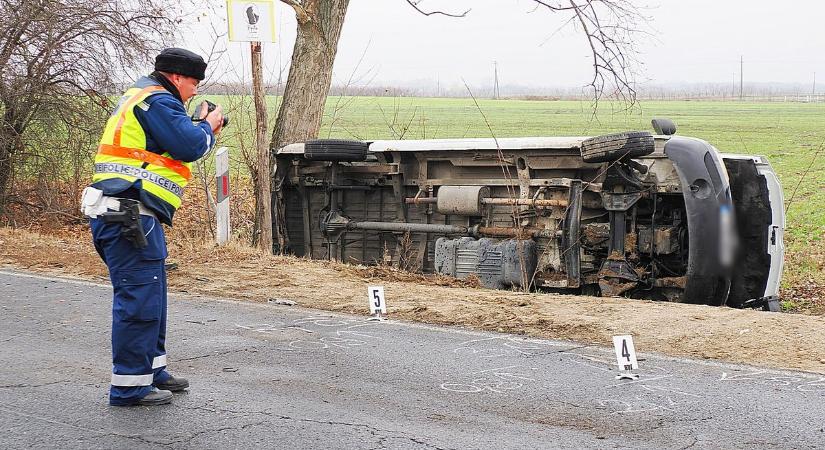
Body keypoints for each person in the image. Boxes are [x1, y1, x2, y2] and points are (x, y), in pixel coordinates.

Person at [80, 48, 224, 406]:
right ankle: (129, 387)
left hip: (133, 214)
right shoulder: (158, 100)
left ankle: (152, 370)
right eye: (194, 83)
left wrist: (195, 125)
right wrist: (207, 126)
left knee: (152, 297)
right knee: (139, 300)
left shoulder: (147, 97)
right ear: (177, 77)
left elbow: (170, 147)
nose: (195, 90)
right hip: (127, 215)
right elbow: (189, 146)